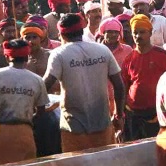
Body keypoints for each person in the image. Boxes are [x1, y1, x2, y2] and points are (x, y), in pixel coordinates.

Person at [43, 14, 125, 152]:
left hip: (73, 127)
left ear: (62, 34)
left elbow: (45, 85)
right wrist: (118, 115)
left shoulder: (59, 54)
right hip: (102, 123)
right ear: (81, 31)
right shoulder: (102, 50)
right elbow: (119, 86)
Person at [0, 39, 48, 166]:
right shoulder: (37, 80)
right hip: (25, 134)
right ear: (27, 57)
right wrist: (28, 119)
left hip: (0, 133)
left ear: (6, 57)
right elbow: (41, 111)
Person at [121, 14, 166, 141]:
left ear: (150, 32)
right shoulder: (128, 59)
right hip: (133, 115)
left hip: (157, 114)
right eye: (135, 33)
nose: (138, 36)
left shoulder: (163, 56)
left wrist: (163, 111)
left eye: (142, 32)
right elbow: (124, 87)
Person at [96, 17, 133, 122]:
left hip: (123, 99)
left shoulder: (128, 50)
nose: (113, 35)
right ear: (103, 32)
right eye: (110, 32)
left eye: (116, 32)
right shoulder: (95, 50)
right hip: (102, 99)